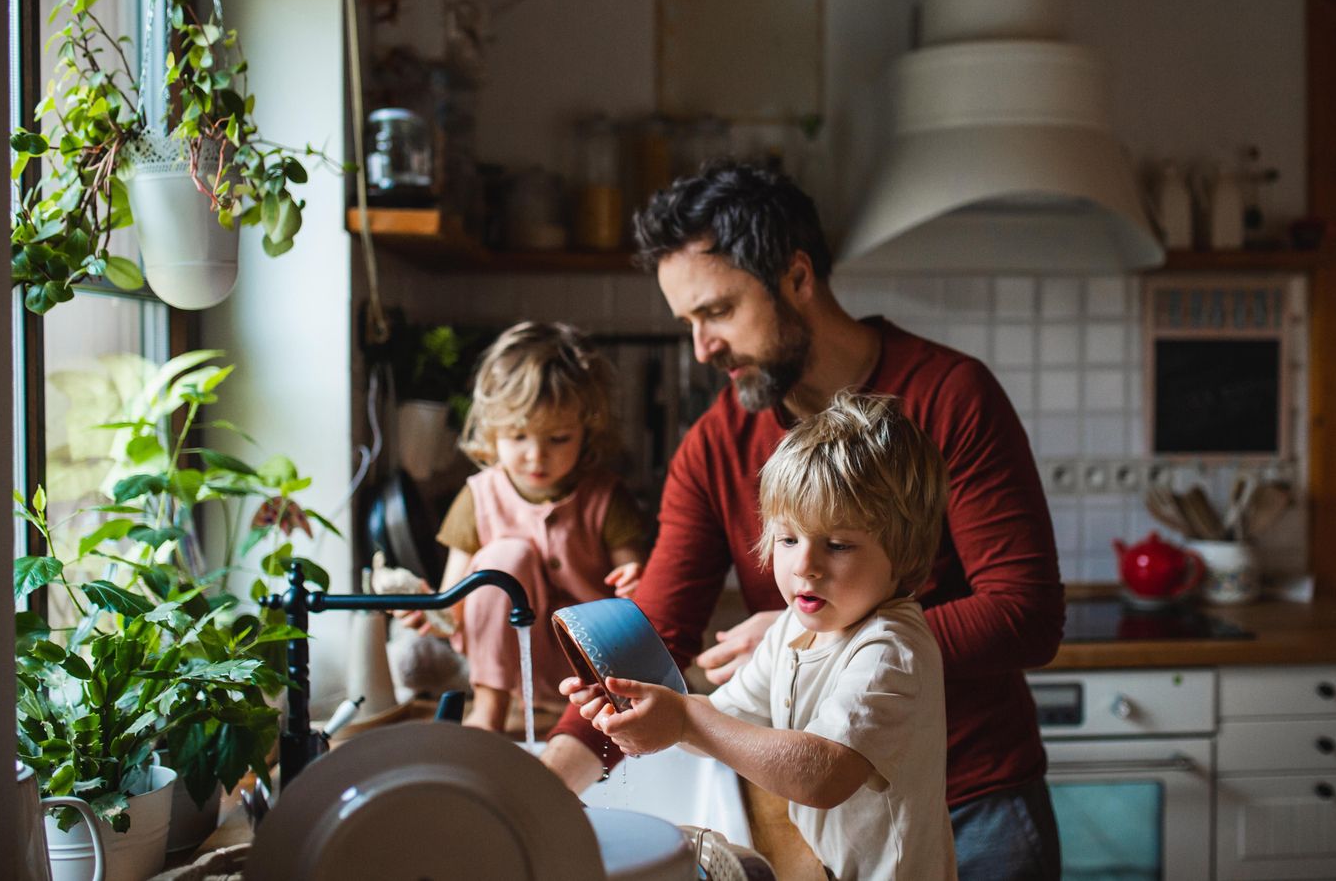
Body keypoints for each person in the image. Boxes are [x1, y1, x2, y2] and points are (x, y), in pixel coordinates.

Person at [542, 162, 1065, 880]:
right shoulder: (716, 444)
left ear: (796, 277)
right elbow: (655, 634)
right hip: (829, 833)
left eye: (718, 311)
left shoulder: (950, 396)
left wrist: (823, 635)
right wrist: (540, 791)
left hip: (973, 803)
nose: (702, 348)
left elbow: (1025, 612)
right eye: (688, 322)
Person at [571, 391, 956, 881]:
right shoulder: (792, 630)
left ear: (903, 555)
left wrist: (688, 720)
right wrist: (644, 709)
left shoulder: (889, 650)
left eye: (837, 545)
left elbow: (822, 776)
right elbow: (722, 726)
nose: (804, 566)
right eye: (788, 538)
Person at [401, 321, 648, 731]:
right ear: (492, 431)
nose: (536, 456)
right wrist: (430, 608)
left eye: (558, 439)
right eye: (518, 437)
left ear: (587, 432)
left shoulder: (605, 497)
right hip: (509, 669)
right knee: (504, 557)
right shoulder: (478, 496)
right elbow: (454, 601)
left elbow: (638, 583)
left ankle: (584, 712)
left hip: (592, 666)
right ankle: (489, 711)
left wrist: (636, 581)